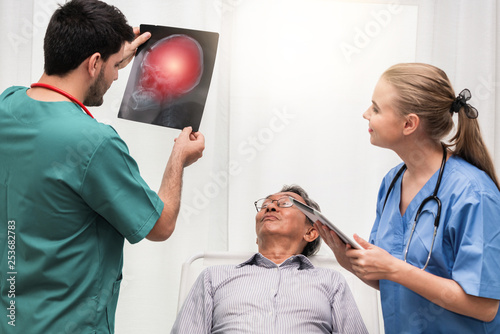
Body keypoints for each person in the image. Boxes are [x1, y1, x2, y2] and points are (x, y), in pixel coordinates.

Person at [0, 1, 204, 333]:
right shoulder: (94, 142)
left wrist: (115, 53)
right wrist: (179, 159)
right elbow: (161, 225)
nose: (116, 76)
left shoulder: (7, 104)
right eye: (114, 67)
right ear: (94, 63)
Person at [316, 63, 500, 333]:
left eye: (376, 108)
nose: (366, 114)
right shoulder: (392, 182)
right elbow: (392, 280)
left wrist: (393, 269)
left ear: (409, 123)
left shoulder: (473, 194)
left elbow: (484, 306)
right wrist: (354, 263)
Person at [171, 185, 368, 334]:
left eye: (285, 203)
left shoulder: (331, 281)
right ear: (257, 236)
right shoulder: (213, 277)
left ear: (310, 232)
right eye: (265, 205)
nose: (271, 208)